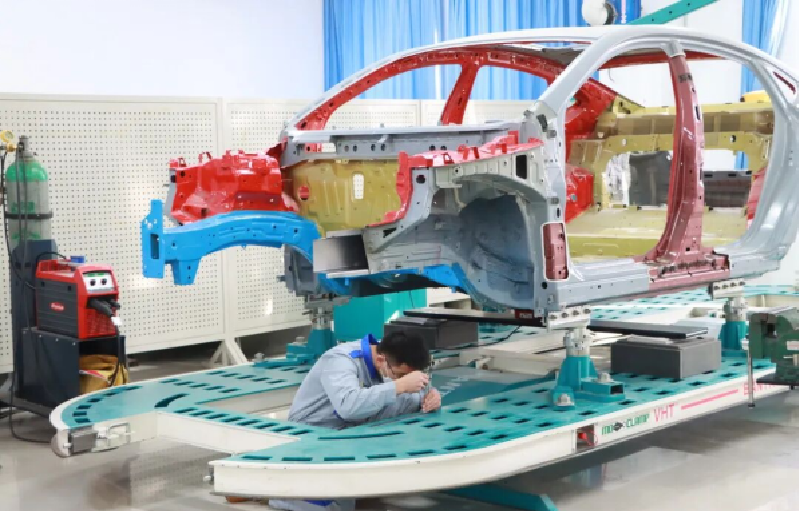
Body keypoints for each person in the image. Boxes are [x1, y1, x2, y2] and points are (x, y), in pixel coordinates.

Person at [268, 331, 442, 511]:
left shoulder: (394, 356)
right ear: (381, 360)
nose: (399, 380)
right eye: (399, 376)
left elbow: (413, 389)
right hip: (313, 440)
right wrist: (400, 385)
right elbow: (348, 407)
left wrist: (430, 396)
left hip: (351, 435)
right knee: (328, 505)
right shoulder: (340, 360)